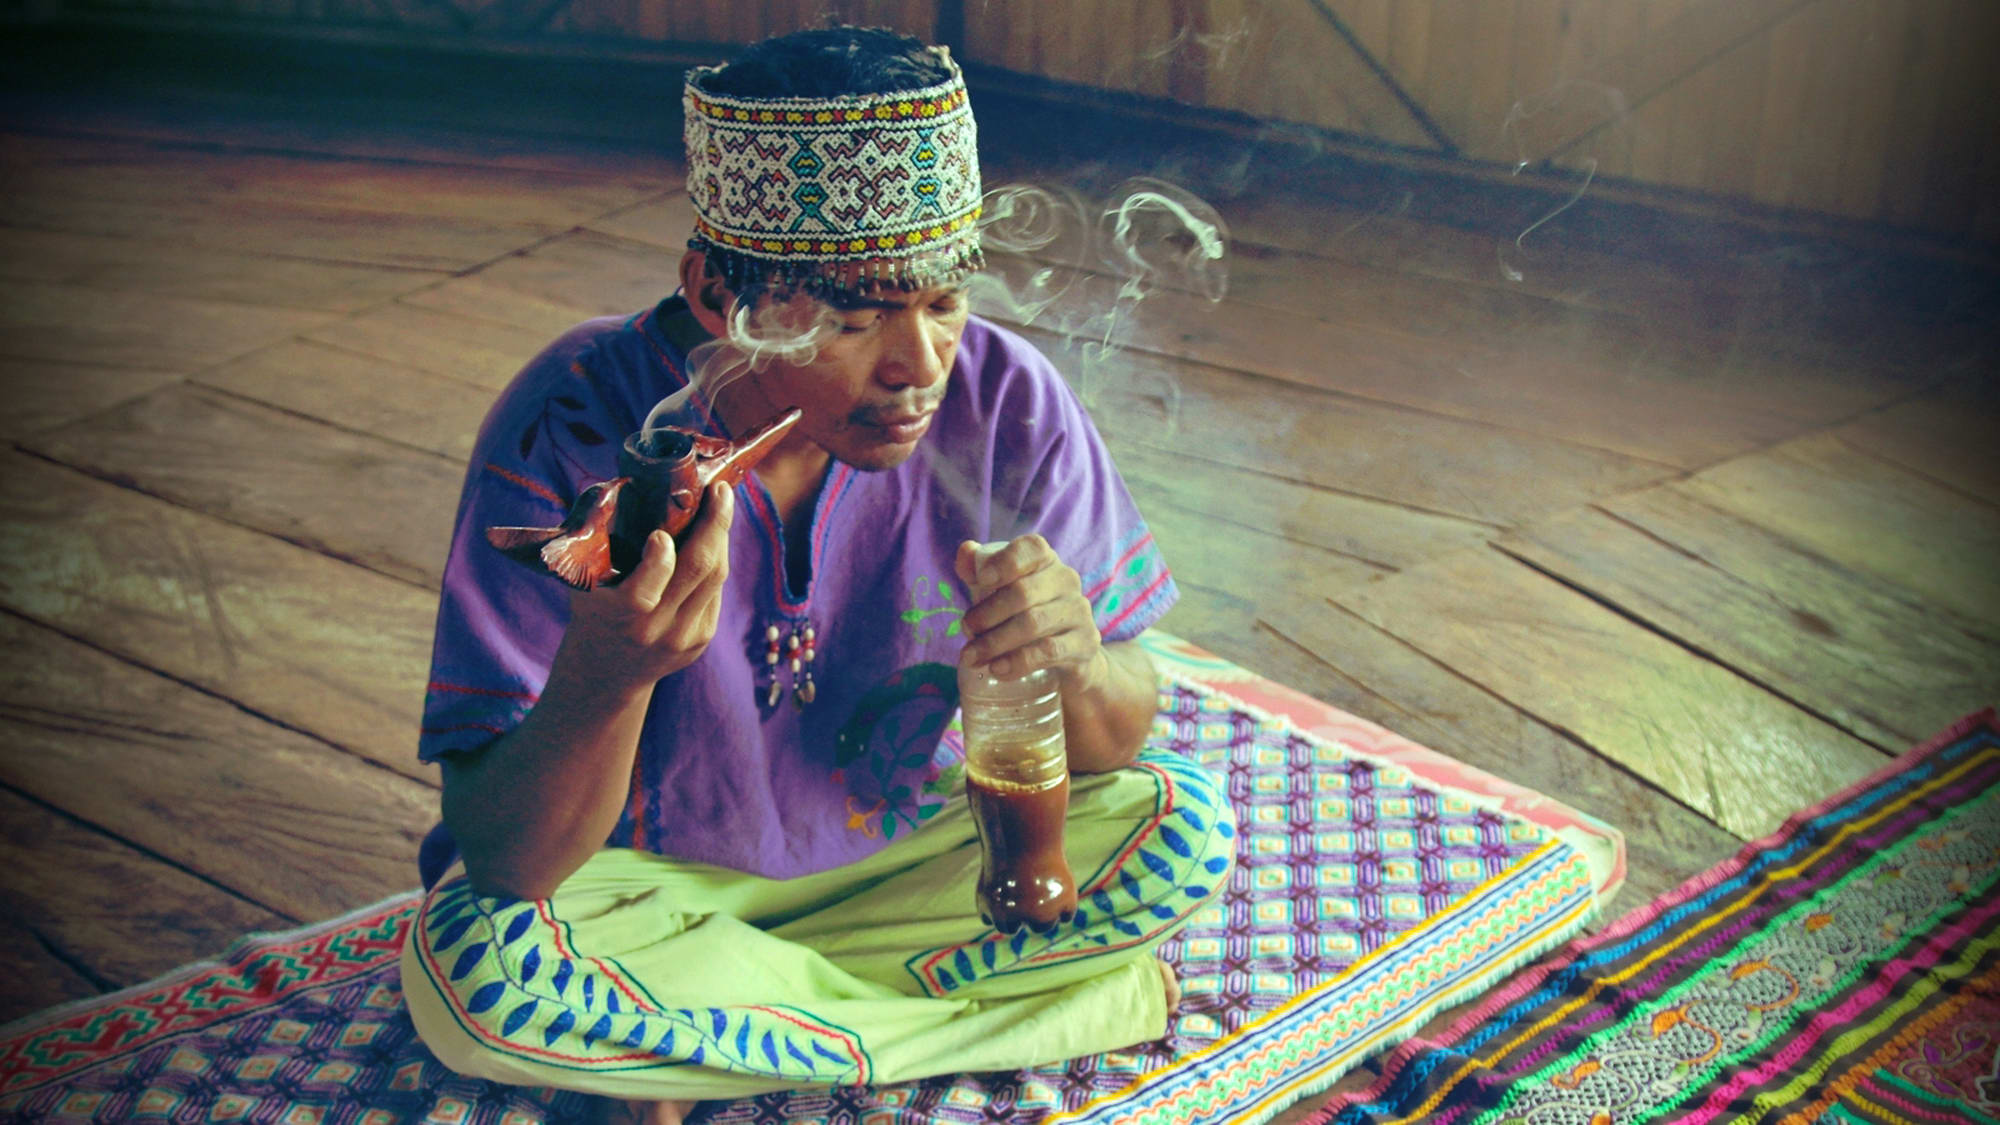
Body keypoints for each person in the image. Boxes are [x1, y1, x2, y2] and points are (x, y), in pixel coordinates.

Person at [397, 26, 1235, 1124]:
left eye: (942, 303)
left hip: (902, 865)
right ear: (713, 293)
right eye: (853, 317)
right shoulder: (574, 419)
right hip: (636, 893)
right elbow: (508, 859)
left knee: (1179, 824)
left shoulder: (1002, 397)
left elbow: (1111, 744)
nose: (918, 365)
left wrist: (1074, 657)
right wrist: (605, 675)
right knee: (479, 975)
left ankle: (699, 1047)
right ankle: (1047, 1012)